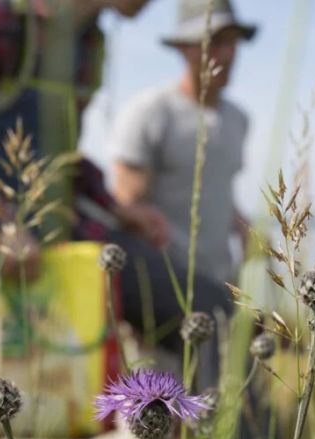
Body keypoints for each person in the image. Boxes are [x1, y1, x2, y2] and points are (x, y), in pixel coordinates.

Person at [0, 1, 233, 439]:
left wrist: (115, 208)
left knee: (210, 310)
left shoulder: (89, 40)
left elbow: (62, 155)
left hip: (66, 232)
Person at [109, 0, 256, 284]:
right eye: (214, 42)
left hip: (222, 283)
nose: (226, 54)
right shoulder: (149, 113)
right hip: (165, 286)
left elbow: (219, 190)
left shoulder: (238, 118)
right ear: (184, 48)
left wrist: (246, 229)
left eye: (232, 42)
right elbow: (127, 207)